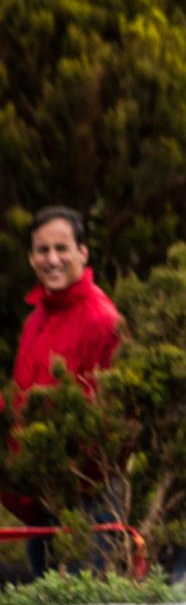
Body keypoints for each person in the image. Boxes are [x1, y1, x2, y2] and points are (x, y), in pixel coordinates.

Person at [4, 206, 124, 577]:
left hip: (88, 498)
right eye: (42, 250)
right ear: (31, 257)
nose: (52, 259)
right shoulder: (35, 319)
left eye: (62, 248)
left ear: (82, 253)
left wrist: (72, 477)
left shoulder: (103, 321)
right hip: (40, 497)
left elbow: (114, 418)